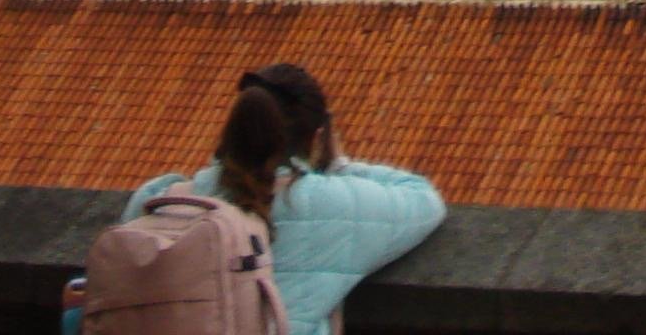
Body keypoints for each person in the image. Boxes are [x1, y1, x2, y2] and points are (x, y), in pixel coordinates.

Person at [69, 65, 444, 335]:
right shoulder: (334, 204)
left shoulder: (160, 198)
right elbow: (423, 199)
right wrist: (338, 163)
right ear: (315, 137)